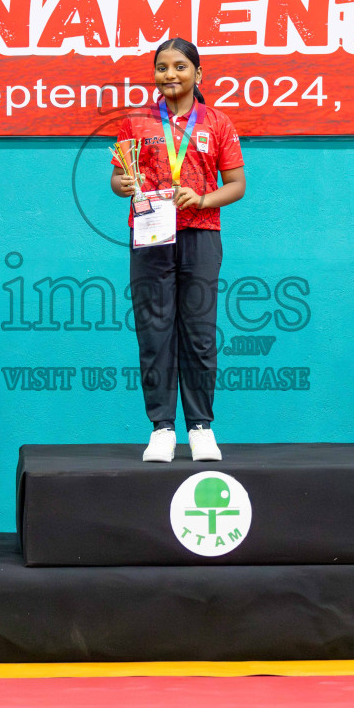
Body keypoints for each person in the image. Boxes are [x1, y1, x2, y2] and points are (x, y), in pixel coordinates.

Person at [111, 38, 245, 462]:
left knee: (200, 333)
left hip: (201, 233)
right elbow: (117, 180)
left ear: (198, 74)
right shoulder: (136, 123)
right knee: (154, 331)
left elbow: (237, 185)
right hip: (151, 232)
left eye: (180, 67)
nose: (171, 74)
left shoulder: (218, 123)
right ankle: (162, 428)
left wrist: (203, 200)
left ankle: (201, 426)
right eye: (163, 67)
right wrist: (124, 186)